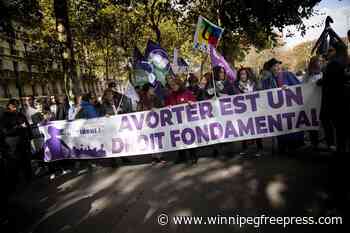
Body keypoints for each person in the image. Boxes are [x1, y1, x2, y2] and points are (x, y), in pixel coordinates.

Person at [261, 58, 304, 154]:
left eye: (278, 65)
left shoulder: (288, 75)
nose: (277, 67)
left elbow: (299, 87)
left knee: (292, 127)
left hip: (290, 107)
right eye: (274, 66)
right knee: (280, 128)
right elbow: (263, 94)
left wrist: (290, 88)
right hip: (277, 110)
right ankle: (282, 146)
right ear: (270, 69)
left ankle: (295, 146)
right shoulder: (267, 81)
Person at [317, 42, 350, 155]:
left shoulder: (334, 64)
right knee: (342, 128)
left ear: (336, 51)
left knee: (338, 127)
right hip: (343, 99)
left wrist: (320, 81)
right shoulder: (345, 61)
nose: (328, 53)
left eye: (331, 50)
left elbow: (329, 81)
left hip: (334, 101)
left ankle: (340, 150)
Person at [1, 99, 33, 190]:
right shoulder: (5, 117)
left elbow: (27, 125)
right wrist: (17, 127)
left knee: (26, 161)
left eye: (17, 106)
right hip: (13, 144)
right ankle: (15, 182)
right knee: (14, 164)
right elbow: (5, 131)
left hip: (24, 142)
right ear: (9, 106)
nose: (16, 108)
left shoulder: (21, 115)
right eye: (14, 106)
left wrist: (30, 136)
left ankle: (29, 178)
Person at [165, 78, 198, 164]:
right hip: (176, 122)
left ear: (179, 85)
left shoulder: (187, 93)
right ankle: (182, 156)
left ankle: (193, 156)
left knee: (189, 137)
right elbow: (167, 106)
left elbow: (194, 102)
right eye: (172, 85)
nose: (173, 87)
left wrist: (192, 102)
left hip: (187, 120)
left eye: (175, 85)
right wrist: (168, 107)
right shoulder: (170, 96)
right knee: (179, 139)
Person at [235, 68, 263, 156]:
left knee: (256, 129)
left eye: (244, 74)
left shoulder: (254, 84)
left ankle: (259, 148)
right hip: (243, 111)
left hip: (254, 110)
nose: (242, 76)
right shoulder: (236, 85)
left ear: (247, 75)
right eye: (241, 74)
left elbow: (260, 93)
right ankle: (244, 148)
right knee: (244, 128)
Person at [138, 83, 166, 164]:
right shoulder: (142, 100)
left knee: (158, 138)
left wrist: (156, 109)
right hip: (147, 122)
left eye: (153, 88)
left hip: (157, 121)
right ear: (147, 90)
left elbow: (161, 108)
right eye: (151, 89)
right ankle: (153, 157)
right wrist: (147, 110)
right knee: (151, 139)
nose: (153, 90)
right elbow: (139, 111)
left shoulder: (156, 98)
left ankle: (160, 156)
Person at [303, 56, 323, 150]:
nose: (320, 63)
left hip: (321, 103)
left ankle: (322, 141)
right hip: (310, 104)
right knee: (312, 124)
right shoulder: (308, 75)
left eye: (320, 61)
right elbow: (302, 87)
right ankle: (314, 143)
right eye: (318, 61)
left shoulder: (323, 73)